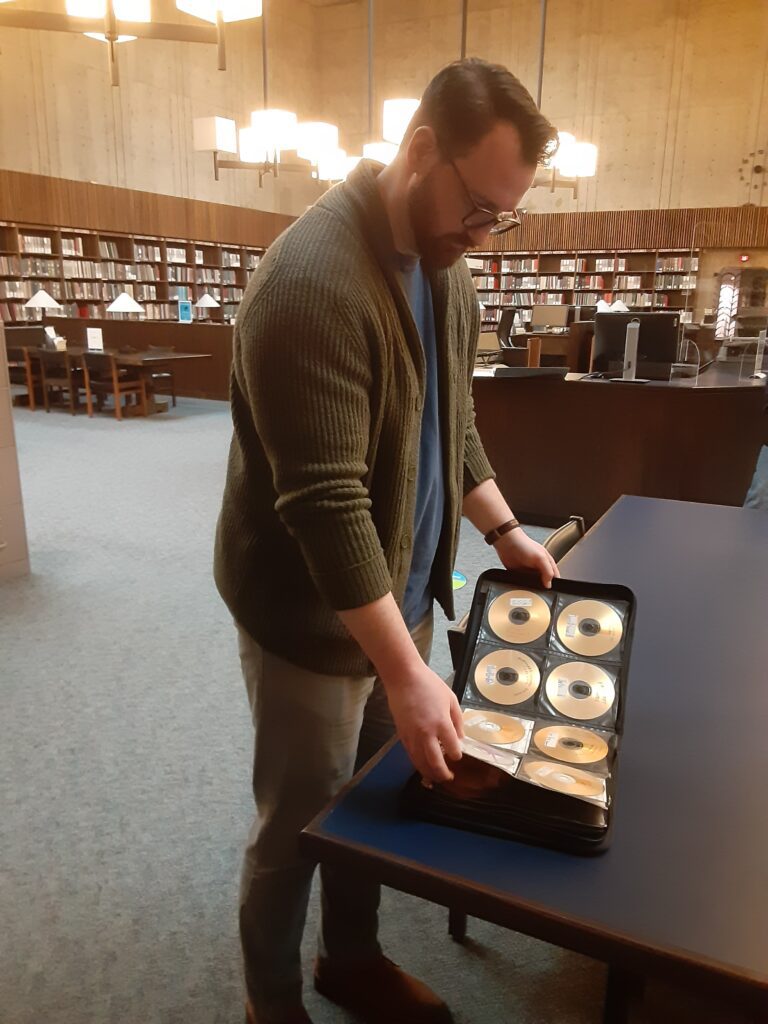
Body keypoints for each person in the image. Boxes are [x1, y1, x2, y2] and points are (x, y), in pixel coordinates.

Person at [214, 57, 559, 1024]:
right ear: (418, 152)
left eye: (503, 216)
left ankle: (349, 960)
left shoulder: (449, 273)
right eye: (478, 208)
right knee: (298, 823)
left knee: (366, 811)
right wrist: (408, 675)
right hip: (310, 617)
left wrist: (503, 528)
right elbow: (324, 505)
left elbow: (456, 422)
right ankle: (269, 1001)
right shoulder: (313, 281)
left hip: (396, 604)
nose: (483, 233)